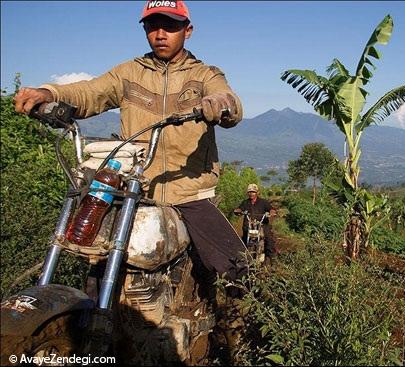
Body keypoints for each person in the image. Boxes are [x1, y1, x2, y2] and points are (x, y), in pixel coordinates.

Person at [13, 1, 247, 294]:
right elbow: (89, 92)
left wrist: (222, 104)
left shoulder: (204, 75)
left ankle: (233, 330)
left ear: (187, 31)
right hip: (134, 188)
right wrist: (49, 92)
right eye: (153, 26)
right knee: (95, 262)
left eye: (170, 26)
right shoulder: (129, 73)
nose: (160, 34)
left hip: (189, 190)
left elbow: (227, 98)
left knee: (236, 268)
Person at [234, 184, 277, 260]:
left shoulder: (263, 202)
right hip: (249, 225)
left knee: (269, 239)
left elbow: (271, 208)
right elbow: (240, 209)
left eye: (253, 192)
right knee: (244, 240)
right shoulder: (245, 202)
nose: (251, 194)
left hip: (262, 225)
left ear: (257, 193)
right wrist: (238, 211)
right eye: (249, 192)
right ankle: (243, 258)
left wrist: (271, 212)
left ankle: (271, 258)